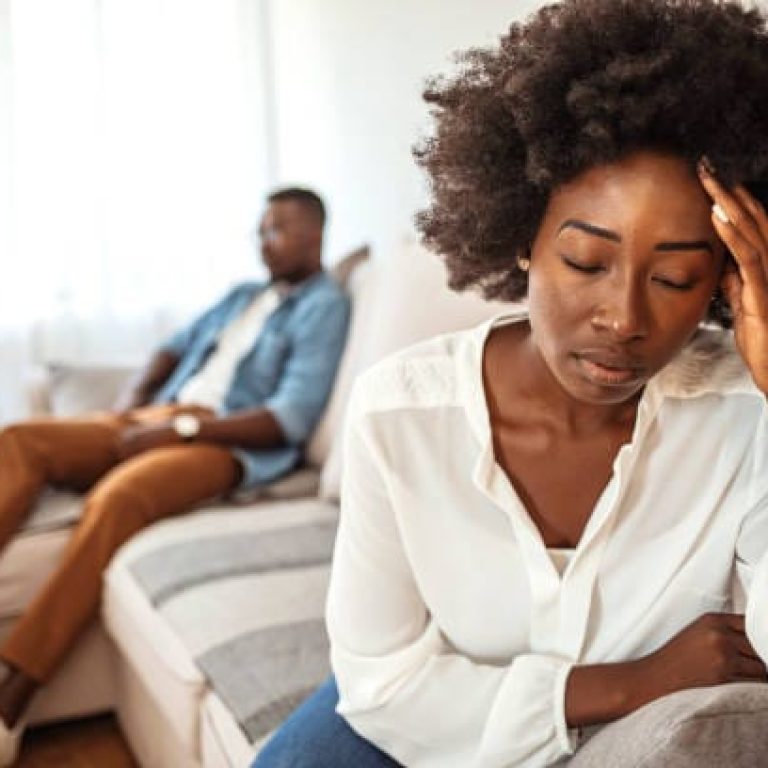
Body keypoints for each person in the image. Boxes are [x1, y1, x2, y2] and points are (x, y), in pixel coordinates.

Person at [253, 2, 768, 766]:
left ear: (724, 282)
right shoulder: (401, 412)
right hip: (433, 707)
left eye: (675, 277)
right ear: (522, 237)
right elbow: (381, 680)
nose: (623, 318)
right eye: (586, 263)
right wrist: (630, 682)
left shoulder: (747, 410)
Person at [0, 186, 350, 764]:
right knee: (20, 439)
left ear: (314, 234)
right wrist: (135, 406)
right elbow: (171, 348)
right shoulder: (244, 295)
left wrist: (182, 432)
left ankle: (15, 690)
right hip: (158, 416)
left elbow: (289, 417)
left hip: (219, 439)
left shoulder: (325, 305)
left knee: (121, 495)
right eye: (260, 230)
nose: (264, 242)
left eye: (277, 230)